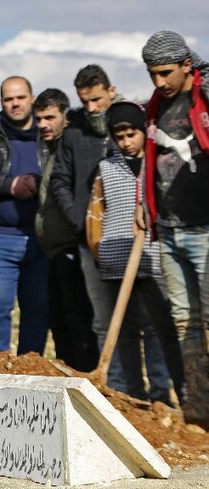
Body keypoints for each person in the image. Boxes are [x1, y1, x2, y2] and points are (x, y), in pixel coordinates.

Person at [92, 100, 184, 405]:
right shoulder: (106, 167)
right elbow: (98, 214)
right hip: (117, 260)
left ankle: (163, 392)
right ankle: (134, 392)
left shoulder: (156, 164)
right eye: (119, 137)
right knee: (126, 331)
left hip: (153, 258)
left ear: (143, 131)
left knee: (158, 329)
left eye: (131, 134)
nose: (126, 142)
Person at [141, 31, 209, 424]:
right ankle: (199, 410)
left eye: (166, 72)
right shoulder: (156, 107)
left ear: (187, 65)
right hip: (168, 230)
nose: (159, 82)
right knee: (185, 322)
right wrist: (142, 203)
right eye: (152, 74)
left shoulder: (204, 98)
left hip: (205, 229)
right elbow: (149, 160)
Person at [50, 64, 125, 383]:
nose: (92, 107)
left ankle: (155, 389)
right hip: (88, 238)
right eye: (85, 101)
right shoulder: (74, 131)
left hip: (128, 236)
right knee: (100, 318)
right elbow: (60, 180)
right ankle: (115, 383)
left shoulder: (127, 121)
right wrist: (77, 219)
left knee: (145, 319)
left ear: (111, 91)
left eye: (97, 99)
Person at [0, 76, 48, 355]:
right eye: (8, 99)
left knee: (38, 308)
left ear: (32, 98)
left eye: (20, 97)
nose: (15, 104)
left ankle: (31, 372)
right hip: (0, 238)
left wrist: (38, 184)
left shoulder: (48, 133)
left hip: (41, 238)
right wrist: (11, 185)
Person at [33, 88, 97, 372]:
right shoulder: (47, 150)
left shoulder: (71, 148)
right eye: (39, 119)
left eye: (49, 117)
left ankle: (84, 378)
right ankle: (68, 376)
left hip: (73, 244)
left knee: (77, 318)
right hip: (54, 249)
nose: (43, 125)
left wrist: (76, 226)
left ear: (65, 118)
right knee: (59, 319)